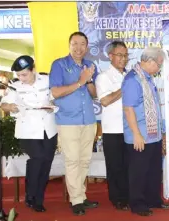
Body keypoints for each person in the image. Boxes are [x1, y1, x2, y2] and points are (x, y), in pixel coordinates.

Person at [49, 31, 99, 216]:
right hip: (68, 120)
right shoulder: (59, 65)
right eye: (75, 44)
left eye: (82, 44)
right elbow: (55, 92)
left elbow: (94, 94)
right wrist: (80, 82)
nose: (78, 48)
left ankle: (81, 195)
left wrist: (90, 80)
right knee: (72, 161)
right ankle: (76, 199)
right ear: (69, 45)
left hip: (89, 120)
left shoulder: (90, 65)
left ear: (87, 47)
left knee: (85, 160)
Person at [1, 56, 57, 212]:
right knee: (37, 158)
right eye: (18, 75)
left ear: (33, 69)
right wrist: (10, 106)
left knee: (46, 163)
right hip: (28, 130)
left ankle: (38, 198)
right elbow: (4, 104)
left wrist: (52, 105)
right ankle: (30, 195)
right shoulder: (14, 86)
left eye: (24, 74)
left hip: (49, 129)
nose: (21, 78)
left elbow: (56, 97)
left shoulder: (47, 80)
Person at [122, 47, 169, 216]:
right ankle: (137, 204)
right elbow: (128, 109)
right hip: (140, 136)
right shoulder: (132, 79)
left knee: (153, 170)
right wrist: (136, 134)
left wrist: (162, 133)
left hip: (153, 135)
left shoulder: (148, 78)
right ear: (150, 62)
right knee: (139, 172)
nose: (159, 68)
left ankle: (153, 200)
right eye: (159, 64)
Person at [95, 41, 129, 210]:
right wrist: (124, 88)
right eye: (120, 55)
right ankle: (118, 199)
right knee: (115, 166)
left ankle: (129, 195)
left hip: (130, 129)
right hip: (113, 130)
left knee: (129, 165)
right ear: (111, 56)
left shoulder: (128, 75)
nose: (123, 59)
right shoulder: (104, 77)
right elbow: (105, 100)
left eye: (125, 55)